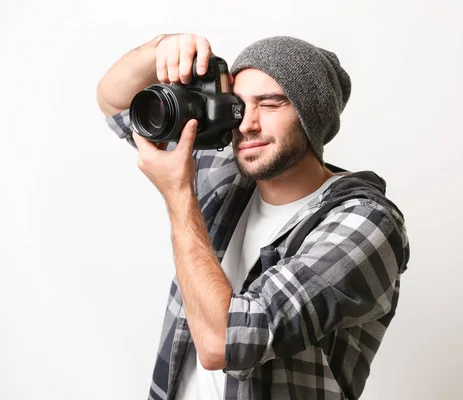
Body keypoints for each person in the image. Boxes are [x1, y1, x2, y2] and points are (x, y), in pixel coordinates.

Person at [96, 32, 410, 400]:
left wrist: (179, 195)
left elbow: (223, 342)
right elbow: (114, 102)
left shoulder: (366, 224)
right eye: (240, 105)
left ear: (312, 116)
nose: (246, 124)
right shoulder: (224, 175)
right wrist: (161, 48)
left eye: (270, 104)